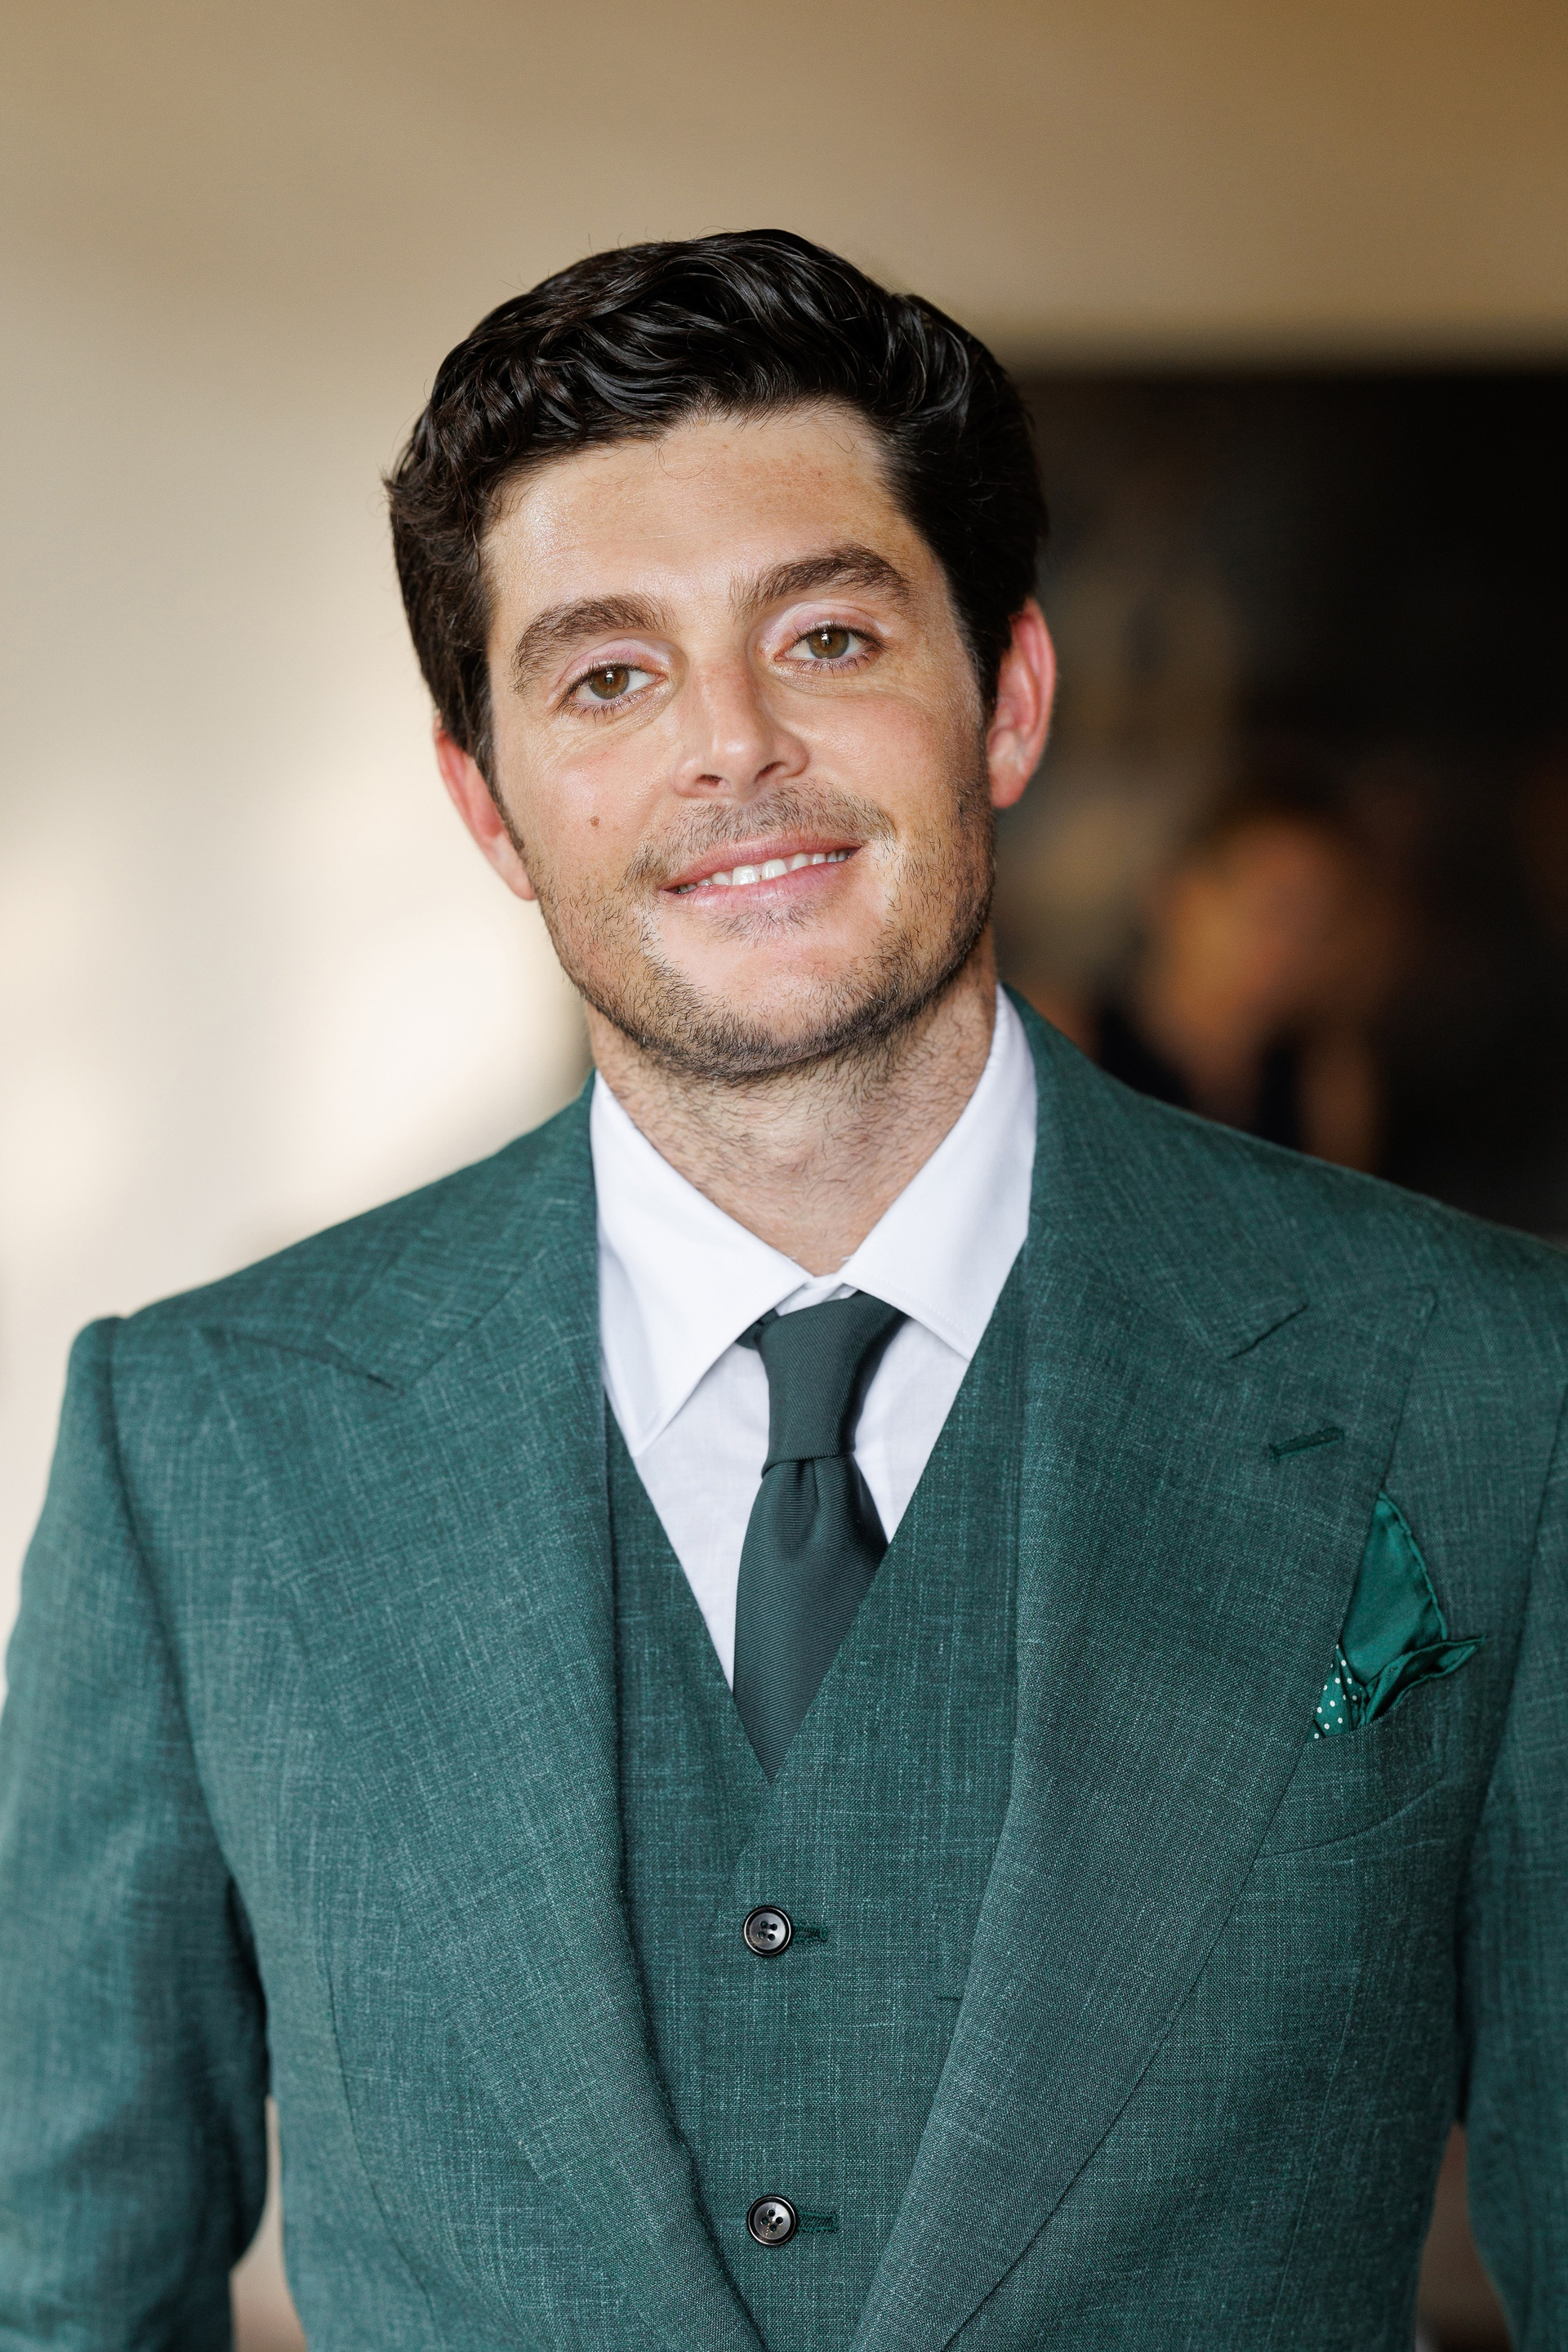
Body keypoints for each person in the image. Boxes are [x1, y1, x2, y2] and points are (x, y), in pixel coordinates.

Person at [0, 232, 1563, 2352]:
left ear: (1008, 699)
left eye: (826, 636)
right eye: (607, 678)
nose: (731, 747)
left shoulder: (1488, 1385)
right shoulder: (197, 1445)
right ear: (487, 801)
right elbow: (59, 2295)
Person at [1034, 787, 1400, 1169]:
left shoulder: (1326, 1088)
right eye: (1272, 907)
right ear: (1175, 892)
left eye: (1319, 924)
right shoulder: (1059, 1038)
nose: (1289, 945)